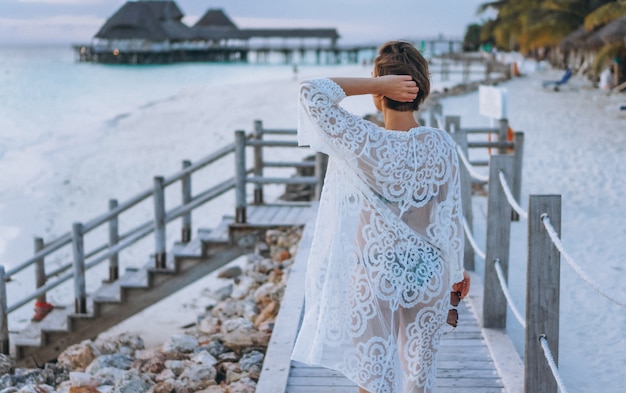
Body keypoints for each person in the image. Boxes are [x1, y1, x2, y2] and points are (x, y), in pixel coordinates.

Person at [292, 40, 470, 393]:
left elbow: (310, 92)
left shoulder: (366, 142)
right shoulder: (442, 145)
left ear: (382, 92)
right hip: (428, 273)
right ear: (422, 89)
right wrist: (458, 272)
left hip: (375, 272)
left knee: (374, 383)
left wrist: (374, 84)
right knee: (418, 383)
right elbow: (451, 217)